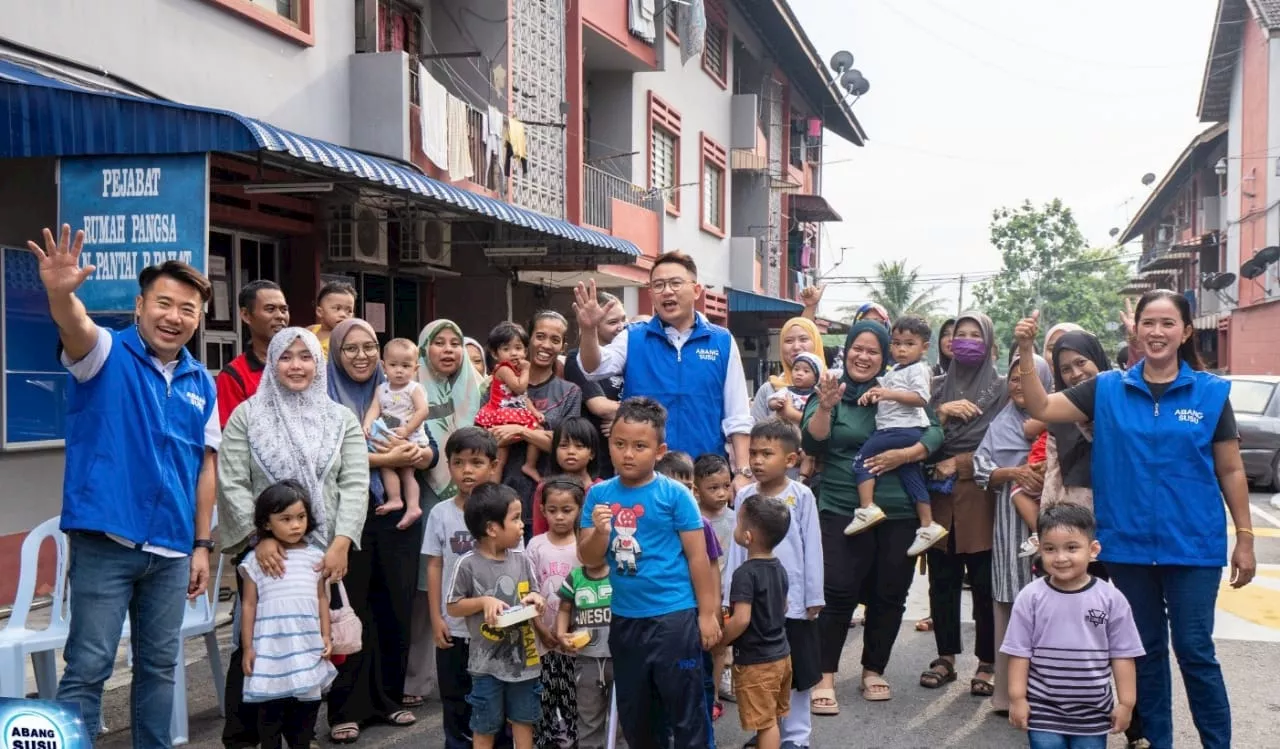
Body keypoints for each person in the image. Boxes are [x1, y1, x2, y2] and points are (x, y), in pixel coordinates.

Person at [1013, 291, 1256, 749]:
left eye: (1168, 324)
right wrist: (1027, 352)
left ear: (1185, 332)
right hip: (1126, 546)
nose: (1158, 332)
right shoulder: (1107, 388)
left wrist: (1244, 536)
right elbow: (1042, 408)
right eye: (1149, 323)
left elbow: (1230, 468)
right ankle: (1158, 742)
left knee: (1195, 652)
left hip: (1194, 547)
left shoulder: (1210, 392)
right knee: (1142, 655)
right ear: (1137, 331)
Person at [32, 225, 219, 748]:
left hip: (172, 549)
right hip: (105, 541)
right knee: (89, 665)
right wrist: (59, 292)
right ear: (140, 305)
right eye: (164, 303)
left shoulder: (201, 382)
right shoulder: (106, 353)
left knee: (160, 667)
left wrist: (201, 544)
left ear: (199, 318)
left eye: (187, 309)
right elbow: (76, 327)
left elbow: (205, 469)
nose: (174, 317)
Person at [217, 325, 370, 747]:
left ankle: (301, 734)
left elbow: (356, 482)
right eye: (286, 356)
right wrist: (258, 537)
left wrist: (341, 541)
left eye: (306, 357)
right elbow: (231, 481)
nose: (296, 365)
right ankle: (244, 737)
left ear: (318, 363)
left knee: (319, 640)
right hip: (265, 555)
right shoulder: (248, 415)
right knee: (250, 641)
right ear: (272, 361)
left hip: (323, 554)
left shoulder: (339, 419)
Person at [801, 321, 944, 712]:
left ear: (884, 357)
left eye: (873, 351)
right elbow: (812, 439)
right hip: (843, 506)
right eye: (856, 349)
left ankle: (873, 670)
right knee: (838, 590)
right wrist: (828, 407)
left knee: (890, 593)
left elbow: (933, 432)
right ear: (845, 351)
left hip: (898, 511)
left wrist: (907, 454)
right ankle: (824, 675)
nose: (863, 356)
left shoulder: (897, 390)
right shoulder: (833, 389)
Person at [578, 398, 720, 748]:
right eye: (620, 444)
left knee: (685, 708)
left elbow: (699, 559)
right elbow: (589, 559)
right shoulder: (598, 495)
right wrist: (599, 532)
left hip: (674, 619)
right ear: (609, 444)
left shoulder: (675, 495)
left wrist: (707, 614)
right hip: (626, 619)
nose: (628, 454)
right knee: (636, 711)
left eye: (640, 446)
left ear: (660, 451)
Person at [326, 318, 432, 742]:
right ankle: (344, 708)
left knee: (394, 605)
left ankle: (389, 699)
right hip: (347, 516)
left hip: (396, 516)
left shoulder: (394, 390)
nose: (362, 356)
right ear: (335, 353)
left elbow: (430, 445)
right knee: (351, 611)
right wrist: (384, 461)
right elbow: (329, 457)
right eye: (350, 348)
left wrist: (420, 453)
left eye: (369, 346)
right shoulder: (324, 396)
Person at [574, 252, 754, 492]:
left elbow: (738, 414)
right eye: (658, 285)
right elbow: (593, 367)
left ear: (696, 290)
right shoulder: (634, 336)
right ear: (651, 295)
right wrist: (588, 330)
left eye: (675, 283)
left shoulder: (721, 341)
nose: (667, 291)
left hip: (704, 476)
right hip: (644, 474)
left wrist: (742, 472)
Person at [1003, 504, 1143, 748]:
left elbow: (1123, 655)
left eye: (1071, 548)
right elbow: (1019, 652)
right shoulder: (1031, 597)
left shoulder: (1111, 599)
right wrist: (1017, 698)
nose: (1060, 558)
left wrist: (1126, 704)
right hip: (1043, 708)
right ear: (1040, 550)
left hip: (1093, 711)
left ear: (1093, 550)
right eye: (1050, 549)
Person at [722, 419, 823, 749]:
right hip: (755, 602)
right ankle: (768, 731)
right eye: (753, 453)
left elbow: (812, 546)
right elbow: (737, 550)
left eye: (767, 453)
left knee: (796, 672)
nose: (757, 461)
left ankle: (796, 737)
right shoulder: (746, 496)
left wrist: (813, 594)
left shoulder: (802, 496)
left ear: (791, 460)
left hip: (793, 602)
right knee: (763, 668)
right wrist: (729, 597)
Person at [920, 311, 1006, 698]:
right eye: (960, 334)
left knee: (985, 585)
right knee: (942, 581)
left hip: (983, 497)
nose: (966, 341)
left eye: (975, 335)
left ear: (989, 343)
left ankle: (987, 662)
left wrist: (962, 462)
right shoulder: (934, 387)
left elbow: (1010, 444)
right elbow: (911, 431)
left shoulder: (1003, 390)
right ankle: (946, 657)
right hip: (937, 498)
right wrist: (940, 413)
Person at [404, 319, 485, 710]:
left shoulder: (478, 388)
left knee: (475, 580)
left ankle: (471, 666)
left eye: (456, 342)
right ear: (424, 350)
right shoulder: (410, 390)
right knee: (426, 587)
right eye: (439, 343)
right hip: (425, 496)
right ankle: (419, 676)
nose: (449, 350)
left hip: (476, 497)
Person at [972, 351, 1053, 714]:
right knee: (1009, 602)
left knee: (1054, 604)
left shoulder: (1061, 415)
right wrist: (1012, 473)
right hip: (1009, 522)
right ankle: (1007, 693)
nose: (1020, 384)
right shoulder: (999, 423)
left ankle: (1051, 692)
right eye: (1015, 378)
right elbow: (980, 467)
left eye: (1028, 376)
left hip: (1055, 517)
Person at [238, 480, 339, 749]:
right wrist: (247, 647)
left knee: (305, 716)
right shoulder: (255, 562)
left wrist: (326, 635)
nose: (296, 525)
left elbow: (321, 598)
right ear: (267, 523)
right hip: (270, 649)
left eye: (301, 517)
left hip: (306, 647)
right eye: (286, 519)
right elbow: (248, 605)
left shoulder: (315, 557)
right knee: (269, 718)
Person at [446, 482, 547, 749]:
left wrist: (536, 600)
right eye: (515, 518)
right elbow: (453, 606)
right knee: (485, 725)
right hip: (485, 666)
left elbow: (536, 595)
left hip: (525, 663)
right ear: (492, 528)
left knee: (524, 721)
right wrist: (483, 601)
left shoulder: (522, 560)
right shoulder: (466, 564)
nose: (522, 524)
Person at [425, 428, 507, 749]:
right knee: (455, 698)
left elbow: (518, 566)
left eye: (476, 462)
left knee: (495, 697)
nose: (467, 470)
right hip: (454, 628)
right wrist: (436, 618)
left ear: (493, 465)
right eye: (458, 462)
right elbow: (434, 565)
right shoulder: (440, 514)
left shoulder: (505, 509)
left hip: (495, 629)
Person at [846, 316, 943, 556]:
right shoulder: (896, 370)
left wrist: (888, 394)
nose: (901, 349)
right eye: (897, 343)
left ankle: (867, 507)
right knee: (912, 477)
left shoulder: (918, 369)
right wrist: (872, 395)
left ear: (924, 347)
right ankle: (928, 524)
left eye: (909, 344)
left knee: (862, 462)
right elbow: (882, 391)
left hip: (899, 429)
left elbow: (921, 398)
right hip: (902, 429)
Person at [654, 451, 727, 730]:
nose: (680, 496)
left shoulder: (701, 524)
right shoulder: (654, 525)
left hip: (696, 617)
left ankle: (703, 730)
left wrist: (712, 613)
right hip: (665, 619)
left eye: (686, 488)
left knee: (699, 678)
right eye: (673, 488)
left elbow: (711, 570)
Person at [722, 494, 794, 749]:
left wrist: (721, 639)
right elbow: (783, 606)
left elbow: (741, 619)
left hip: (757, 662)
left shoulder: (745, 574)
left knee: (765, 724)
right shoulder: (779, 568)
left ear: (748, 537)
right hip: (781, 656)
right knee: (772, 717)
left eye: (739, 523)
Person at [528, 477, 585, 748]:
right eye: (552, 510)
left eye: (567, 510)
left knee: (575, 698)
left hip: (575, 643)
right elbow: (528, 592)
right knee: (544, 697)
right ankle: (544, 740)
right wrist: (541, 629)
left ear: (579, 510)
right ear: (542, 510)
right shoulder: (535, 546)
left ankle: (574, 739)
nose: (559, 517)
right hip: (543, 642)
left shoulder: (584, 549)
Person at [556, 525, 620, 749]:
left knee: (623, 720)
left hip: (620, 658)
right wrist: (561, 634)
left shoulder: (619, 574)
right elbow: (564, 608)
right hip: (587, 660)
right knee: (588, 718)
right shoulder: (575, 578)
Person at [362, 338, 432, 529]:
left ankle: (413, 506)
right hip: (389, 436)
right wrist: (367, 424)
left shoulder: (414, 388)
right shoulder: (381, 389)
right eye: (394, 365)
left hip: (410, 438)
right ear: (384, 366)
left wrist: (407, 429)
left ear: (415, 369)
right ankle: (395, 499)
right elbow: (374, 409)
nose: (399, 370)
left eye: (406, 366)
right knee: (388, 467)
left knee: (408, 472)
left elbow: (423, 411)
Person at [563, 291, 627, 478]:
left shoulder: (630, 356)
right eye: (612, 322)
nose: (621, 327)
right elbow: (600, 407)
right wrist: (632, 413)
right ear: (593, 325)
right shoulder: (577, 359)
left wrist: (622, 418)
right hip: (597, 464)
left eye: (624, 319)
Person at [476, 322, 546, 482]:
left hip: (514, 412)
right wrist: (527, 370)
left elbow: (522, 398)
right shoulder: (504, 369)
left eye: (518, 348)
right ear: (495, 354)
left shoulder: (516, 371)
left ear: (525, 351)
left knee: (537, 431)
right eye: (506, 349)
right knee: (501, 455)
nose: (513, 353)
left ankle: (529, 465)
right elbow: (520, 388)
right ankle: (496, 485)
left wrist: (535, 412)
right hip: (501, 414)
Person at [217, 279, 289, 427]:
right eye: (270, 309)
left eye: (284, 309)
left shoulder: (303, 365)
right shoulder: (234, 375)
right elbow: (232, 435)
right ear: (246, 315)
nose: (280, 316)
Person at [695, 453, 736, 706]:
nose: (721, 493)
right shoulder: (692, 519)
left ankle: (713, 696)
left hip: (725, 595)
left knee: (719, 645)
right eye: (713, 488)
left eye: (726, 486)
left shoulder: (735, 519)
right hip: (699, 594)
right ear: (697, 490)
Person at [531, 417, 602, 536]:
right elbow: (539, 531)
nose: (571, 451)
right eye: (564, 445)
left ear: (592, 453)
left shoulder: (601, 489)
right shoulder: (544, 488)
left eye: (579, 446)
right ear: (555, 451)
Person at [751, 317, 826, 425]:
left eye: (804, 339)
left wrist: (791, 414)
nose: (796, 347)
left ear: (816, 342)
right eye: (788, 341)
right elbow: (755, 433)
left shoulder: (832, 386)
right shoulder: (769, 389)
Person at [768, 352, 822, 426]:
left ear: (815, 379)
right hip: (785, 430)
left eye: (806, 371)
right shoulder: (786, 391)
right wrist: (775, 403)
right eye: (796, 369)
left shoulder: (816, 395)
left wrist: (790, 412)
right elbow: (770, 402)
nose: (799, 373)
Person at [310, 281, 357, 358]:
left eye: (349, 311)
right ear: (320, 312)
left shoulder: (347, 339)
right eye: (337, 308)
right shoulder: (311, 330)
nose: (343, 315)